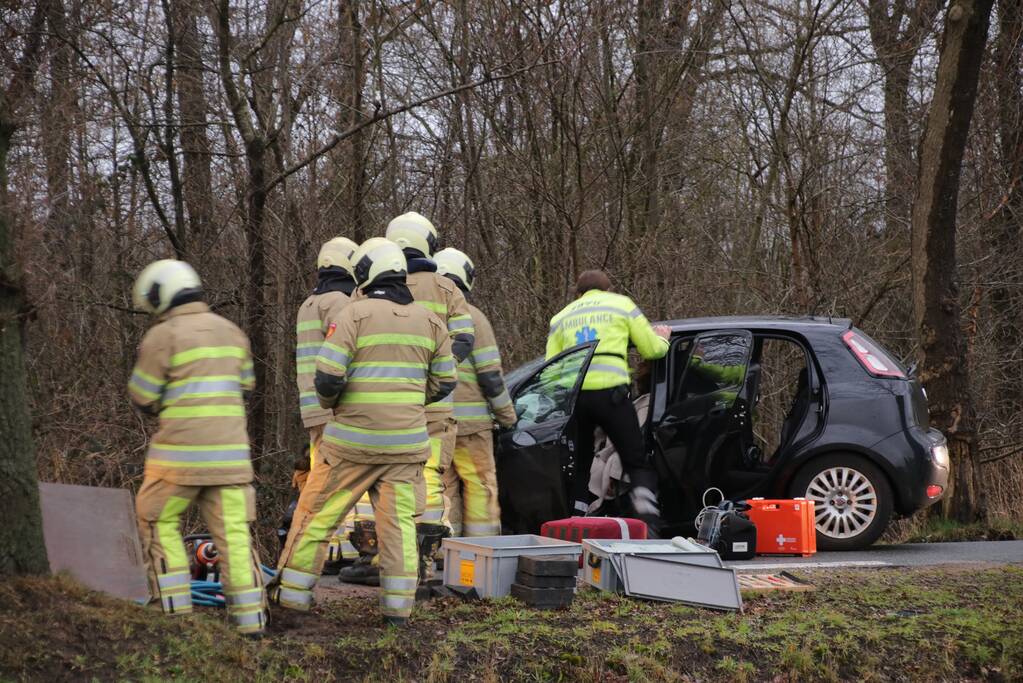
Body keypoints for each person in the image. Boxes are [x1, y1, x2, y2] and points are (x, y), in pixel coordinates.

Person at [273, 238, 456, 625]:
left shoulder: (354, 315)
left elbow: (327, 376)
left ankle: (292, 599)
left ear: (367, 272)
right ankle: (397, 611)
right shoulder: (431, 321)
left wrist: (337, 403)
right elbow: (445, 383)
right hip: (406, 447)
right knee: (399, 528)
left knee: (319, 518)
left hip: (350, 446)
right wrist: (410, 401)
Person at [128, 259, 266, 636]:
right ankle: (251, 623)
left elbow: (143, 396)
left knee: (158, 522)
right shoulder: (233, 332)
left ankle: (175, 617)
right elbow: (246, 387)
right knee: (235, 535)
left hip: (178, 465)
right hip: (233, 463)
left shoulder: (163, 335)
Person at [545, 270, 670, 525]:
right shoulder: (621, 305)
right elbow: (651, 349)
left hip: (578, 399)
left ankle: (577, 517)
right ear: (609, 289)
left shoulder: (561, 318)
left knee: (580, 463)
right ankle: (647, 518)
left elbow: (552, 371)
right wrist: (663, 340)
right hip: (611, 395)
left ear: (577, 294)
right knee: (635, 459)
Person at [384, 212, 474, 531]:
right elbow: (464, 338)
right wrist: (439, 378)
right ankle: (428, 549)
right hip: (435, 408)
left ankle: (376, 550)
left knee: (385, 477)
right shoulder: (446, 287)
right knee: (430, 476)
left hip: (388, 407)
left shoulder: (369, 288)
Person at [295, 236, 367, 568]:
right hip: (336, 408)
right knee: (338, 482)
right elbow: (345, 355)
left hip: (312, 409)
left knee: (319, 479)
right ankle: (339, 551)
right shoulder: (339, 302)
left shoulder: (309, 304)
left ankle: (326, 550)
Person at [435, 248, 517, 536]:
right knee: (480, 486)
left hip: (434, 425)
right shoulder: (473, 317)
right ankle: (481, 553)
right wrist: (508, 418)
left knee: (442, 489)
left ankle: (443, 553)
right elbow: (491, 377)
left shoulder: (424, 314)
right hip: (470, 429)